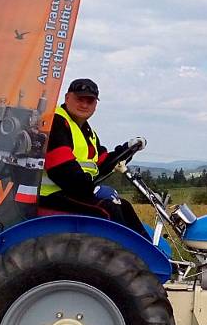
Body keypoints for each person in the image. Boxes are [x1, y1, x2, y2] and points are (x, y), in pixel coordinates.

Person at [39, 78, 148, 238]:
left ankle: (149, 255)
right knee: (108, 210)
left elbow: (102, 162)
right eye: (79, 99)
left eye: (89, 100)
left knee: (123, 205)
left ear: (95, 104)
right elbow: (62, 170)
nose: (84, 105)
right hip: (51, 195)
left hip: (70, 193)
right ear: (67, 98)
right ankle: (126, 258)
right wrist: (92, 190)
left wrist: (127, 149)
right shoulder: (56, 122)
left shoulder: (86, 131)